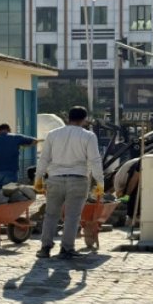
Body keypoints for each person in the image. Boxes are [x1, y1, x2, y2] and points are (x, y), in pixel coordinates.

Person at [34, 106, 103, 259]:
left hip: (55, 179)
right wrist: (100, 182)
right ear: (84, 120)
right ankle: (66, 249)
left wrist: (38, 178)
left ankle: (45, 248)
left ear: (68, 118)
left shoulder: (53, 135)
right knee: (72, 216)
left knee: (51, 215)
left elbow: (44, 158)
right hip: (78, 179)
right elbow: (94, 160)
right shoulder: (88, 136)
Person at [0, 123, 40, 188]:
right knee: (9, 192)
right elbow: (35, 141)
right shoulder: (16, 137)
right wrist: (25, 146)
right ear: (9, 130)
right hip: (11, 170)